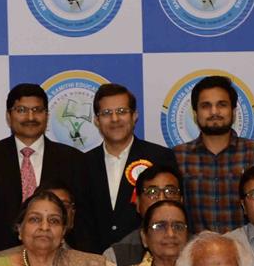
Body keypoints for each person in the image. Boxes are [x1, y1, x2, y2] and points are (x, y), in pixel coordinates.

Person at [0, 83, 82, 256]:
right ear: (9, 116)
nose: (31, 117)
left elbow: (80, 218)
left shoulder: (71, 159)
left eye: (37, 110)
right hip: (1, 257)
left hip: (57, 255)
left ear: (46, 115)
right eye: (22, 110)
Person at [72, 83, 177, 256]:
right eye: (106, 113)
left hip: (146, 259)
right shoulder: (81, 163)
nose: (114, 119)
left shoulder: (160, 157)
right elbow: (80, 220)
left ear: (134, 116)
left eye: (121, 112)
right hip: (93, 261)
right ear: (97, 120)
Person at [172, 76, 254, 236]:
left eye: (222, 105)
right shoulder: (178, 157)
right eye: (206, 106)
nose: (214, 112)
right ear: (195, 113)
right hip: (194, 255)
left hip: (248, 254)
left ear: (233, 111)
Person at [102, 164, 186, 266]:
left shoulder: (201, 248)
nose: (161, 198)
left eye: (170, 192)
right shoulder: (117, 256)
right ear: (137, 203)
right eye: (152, 192)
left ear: (181, 200)